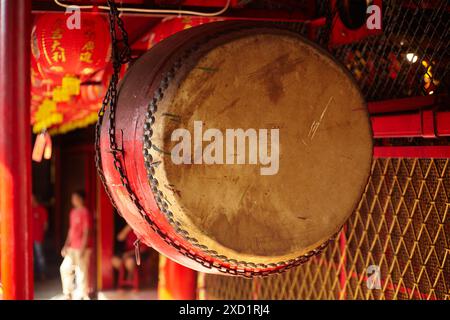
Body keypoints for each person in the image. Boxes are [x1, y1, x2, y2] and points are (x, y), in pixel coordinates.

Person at [60, 190, 93, 300]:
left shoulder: (85, 212)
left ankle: (82, 294)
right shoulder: (73, 212)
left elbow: (86, 231)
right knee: (64, 268)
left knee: (81, 272)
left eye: (75, 198)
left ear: (81, 199)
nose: (72, 200)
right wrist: (65, 245)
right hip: (72, 247)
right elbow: (71, 230)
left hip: (82, 247)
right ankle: (68, 292)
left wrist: (83, 248)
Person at [32, 195, 48, 281]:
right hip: (29, 238)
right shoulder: (28, 209)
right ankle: (32, 275)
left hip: (38, 236)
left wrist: (42, 234)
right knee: (30, 257)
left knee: (40, 256)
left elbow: (45, 224)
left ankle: (42, 274)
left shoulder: (41, 209)